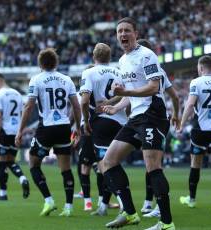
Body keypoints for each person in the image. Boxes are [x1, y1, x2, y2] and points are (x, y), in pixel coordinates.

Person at [100, 17, 176, 230]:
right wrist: (115, 105)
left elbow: (153, 87)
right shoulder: (123, 60)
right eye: (119, 32)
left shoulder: (147, 55)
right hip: (136, 117)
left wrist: (126, 92)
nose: (123, 34)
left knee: (153, 166)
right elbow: (130, 93)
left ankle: (167, 223)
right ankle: (131, 213)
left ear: (135, 33)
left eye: (126, 30)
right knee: (108, 162)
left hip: (153, 114)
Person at [15, 48, 81, 217]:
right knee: (65, 168)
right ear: (56, 62)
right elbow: (76, 105)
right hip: (64, 126)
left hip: (47, 127)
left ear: (40, 64)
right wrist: (78, 128)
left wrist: (20, 130)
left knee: (33, 163)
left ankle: (49, 201)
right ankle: (68, 207)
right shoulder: (67, 79)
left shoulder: (36, 79)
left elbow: (29, 106)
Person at [79, 43, 127, 216]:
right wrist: (112, 103)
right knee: (111, 163)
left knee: (105, 165)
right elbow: (126, 94)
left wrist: (85, 121)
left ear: (94, 56)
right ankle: (103, 206)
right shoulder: (120, 72)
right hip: (120, 121)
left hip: (102, 122)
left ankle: (124, 203)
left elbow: (84, 101)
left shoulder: (89, 72)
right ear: (109, 56)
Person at [136, 38, 180, 218]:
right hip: (153, 118)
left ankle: (158, 205)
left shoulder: (146, 69)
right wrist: (176, 114)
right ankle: (149, 203)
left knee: (154, 165)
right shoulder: (160, 71)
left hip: (152, 118)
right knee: (152, 164)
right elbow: (175, 97)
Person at [178, 55, 211, 211]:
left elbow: (191, 104)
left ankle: (192, 199)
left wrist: (182, 123)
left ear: (200, 68)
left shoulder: (196, 82)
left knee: (195, 164)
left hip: (200, 128)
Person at [0, 72, 30, 201]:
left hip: (4, 131)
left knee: (1, 163)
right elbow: (23, 113)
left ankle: (2, 194)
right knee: (10, 161)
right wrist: (21, 131)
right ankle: (22, 178)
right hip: (15, 131)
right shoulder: (18, 94)